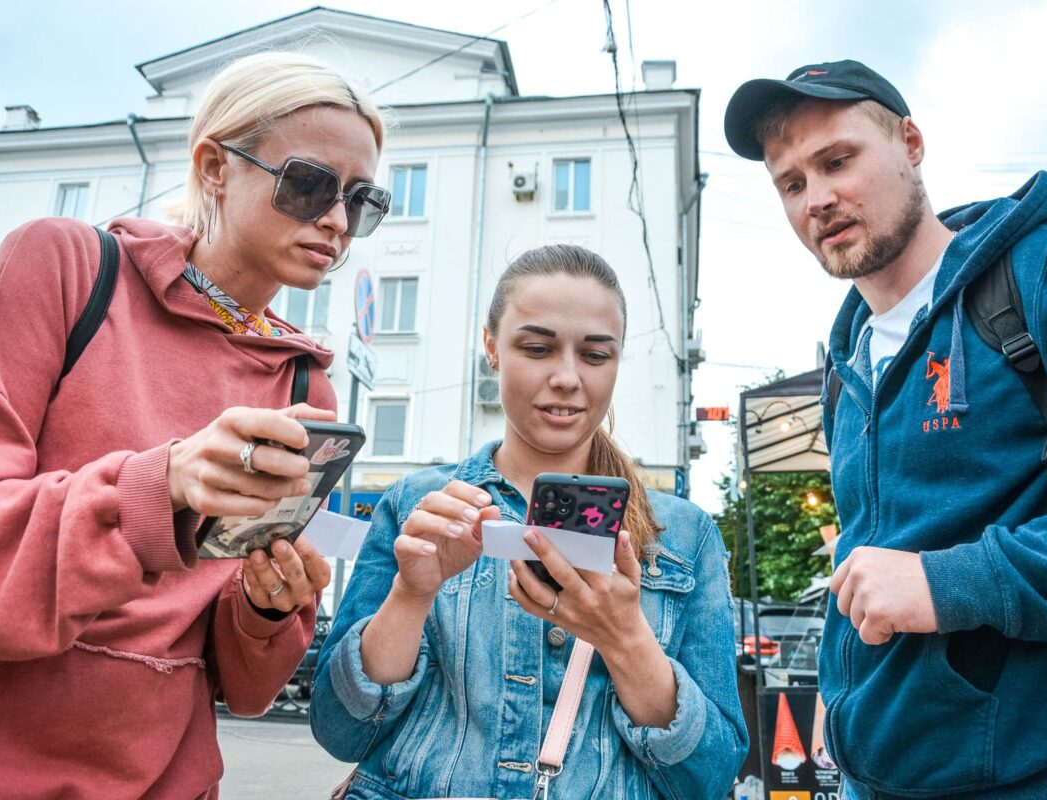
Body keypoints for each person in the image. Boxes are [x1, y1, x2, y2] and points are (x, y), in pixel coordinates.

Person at [0, 52, 389, 798]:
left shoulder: (306, 387)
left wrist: (266, 606)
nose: (336, 220)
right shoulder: (64, 266)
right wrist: (162, 485)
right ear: (214, 166)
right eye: (310, 183)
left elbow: (244, 688)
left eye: (363, 200)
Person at [724, 61, 1047, 800]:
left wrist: (950, 583)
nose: (818, 198)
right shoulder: (848, 358)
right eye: (791, 184)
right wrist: (845, 677)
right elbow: (876, 550)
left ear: (911, 143)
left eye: (838, 160)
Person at [309, 245, 748, 799]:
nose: (566, 378)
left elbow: (709, 774)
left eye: (595, 355)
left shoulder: (683, 535)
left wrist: (626, 639)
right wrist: (411, 595)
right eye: (537, 348)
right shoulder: (419, 504)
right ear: (492, 347)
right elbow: (340, 729)